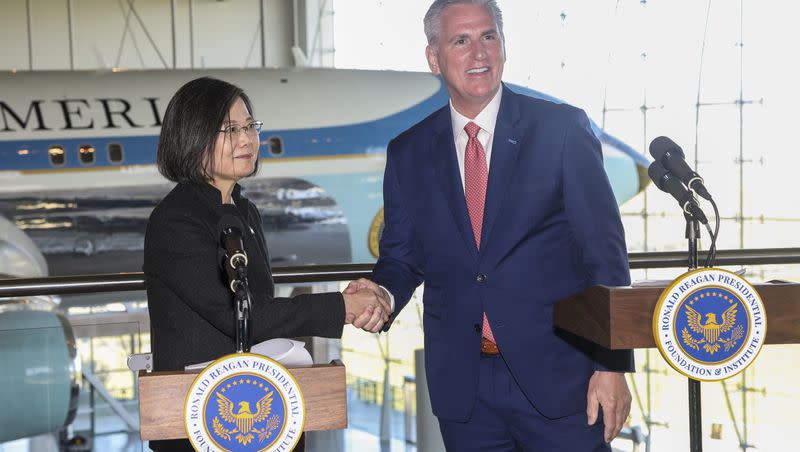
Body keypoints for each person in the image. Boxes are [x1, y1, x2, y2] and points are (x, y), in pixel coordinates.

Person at [345, 1, 633, 450]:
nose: (479, 53)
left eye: (489, 36)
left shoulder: (561, 130)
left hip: (562, 382)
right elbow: (402, 257)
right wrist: (382, 293)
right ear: (433, 58)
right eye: (461, 40)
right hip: (465, 391)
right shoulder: (408, 152)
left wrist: (610, 365)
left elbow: (605, 256)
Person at [143, 77, 389, 451]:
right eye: (230, 130)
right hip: (201, 420)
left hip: (261, 411)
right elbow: (237, 315)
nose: (247, 140)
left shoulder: (243, 210)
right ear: (191, 137)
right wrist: (341, 306)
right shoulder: (176, 220)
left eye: (249, 127)